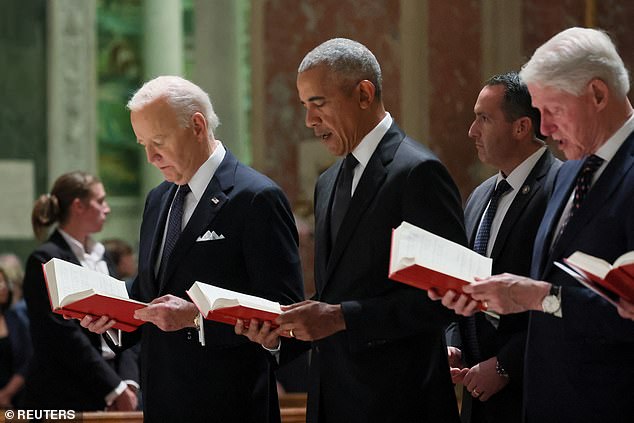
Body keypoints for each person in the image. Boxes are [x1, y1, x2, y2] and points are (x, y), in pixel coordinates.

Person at [238, 38, 466, 422]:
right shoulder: (327, 182)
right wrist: (284, 332)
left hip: (400, 403)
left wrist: (343, 316)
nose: (309, 120)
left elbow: (448, 296)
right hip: (331, 400)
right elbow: (337, 294)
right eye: (304, 106)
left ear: (364, 94)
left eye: (319, 103)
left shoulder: (417, 172)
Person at [433, 27, 634, 423]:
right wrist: (486, 300)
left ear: (597, 94)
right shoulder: (567, 174)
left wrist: (538, 297)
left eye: (553, 111)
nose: (543, 130)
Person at [81, 75, 304, 422]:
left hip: (231, 406)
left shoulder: (256, 197)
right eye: (142, 144)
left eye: (158, 141)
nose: (151, 157)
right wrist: (115, 317)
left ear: (197, 126)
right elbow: (152, 292)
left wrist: (197, 318)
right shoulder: (157, 199)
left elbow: (285, 314)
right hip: (160, 405)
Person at [442, 71, 561, 423]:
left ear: (522, 127)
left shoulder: (558, 188)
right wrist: (455, 343)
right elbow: (461, 286)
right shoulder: (479, 197)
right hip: (477, 399)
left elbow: (558, 299)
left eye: (484, 118)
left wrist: (506, 365)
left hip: (532, 395)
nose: (471, 131)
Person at [22, 171, 140, 411]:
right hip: (68, 392)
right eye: (100, 201)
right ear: (78, 206)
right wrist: (114, 388)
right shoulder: (45, 258)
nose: (106, 209)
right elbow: (60, 334)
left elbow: (123, 319)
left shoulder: (102, 255)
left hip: (115, 381)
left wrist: (129, 380)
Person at [0, 266, 32, 409]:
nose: (3, 287)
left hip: (15, 402)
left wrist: (6, 394)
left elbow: (27, 360)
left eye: (4, 282)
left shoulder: (15, 318)